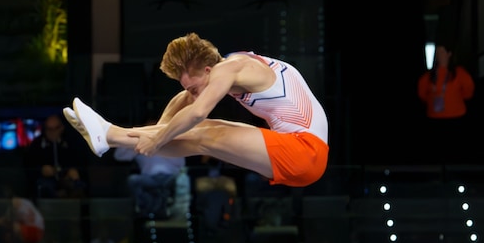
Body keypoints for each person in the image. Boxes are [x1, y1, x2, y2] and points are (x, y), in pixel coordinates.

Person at [64, 33, 329, 188]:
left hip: (306, 152)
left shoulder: (229, 68)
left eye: (193, 86)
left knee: (204, 131)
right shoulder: (233, 66)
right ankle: (107, 137)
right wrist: (158, 132)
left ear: (207, 70)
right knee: (203, 135)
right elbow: (184, 101)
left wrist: (159, 138)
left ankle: (110, 135)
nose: (191, 91)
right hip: (303, 152)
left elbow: (198, 112)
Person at [417, 42, 475, 164]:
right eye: (437, 53)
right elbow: (422, 93)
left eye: (442, 52)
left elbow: (468, 92)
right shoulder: (429, 76)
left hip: (456, 117)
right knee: (437, 153)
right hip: (435, 118)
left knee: (455, 152)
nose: (439, 55)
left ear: (449, 54)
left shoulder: (459, 73)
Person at [22, 114, 89, 198]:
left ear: (62, 128)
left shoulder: (73, 142)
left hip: (68, 181)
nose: (53, 132)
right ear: (45, 129)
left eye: (56, 128)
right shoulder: (36, 145)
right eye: (49, 129)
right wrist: (41, 170)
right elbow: (28, 167)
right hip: (46, 183)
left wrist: (74, 171)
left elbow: (82, 162)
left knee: (78, 187)